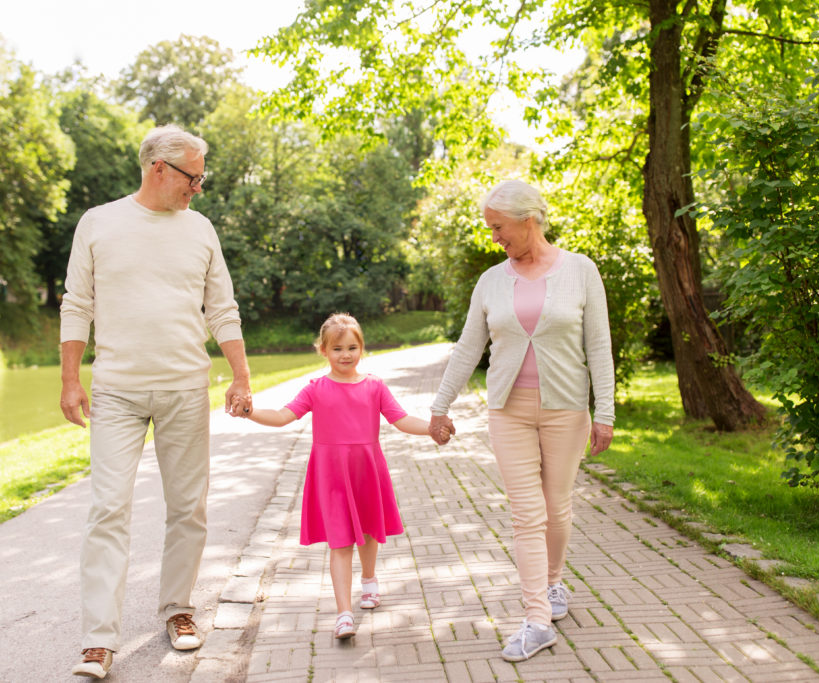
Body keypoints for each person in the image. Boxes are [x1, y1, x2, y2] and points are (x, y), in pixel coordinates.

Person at [59, 124, 252, 679]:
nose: (199, 188)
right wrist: (71, 379)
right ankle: (98, 640)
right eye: (194, 177)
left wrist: (240, 376)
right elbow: (77, 304)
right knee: (107, 509)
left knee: (188, 507)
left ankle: (179, 609)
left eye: (202, 178)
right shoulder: (99, 223)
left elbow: (223, 309)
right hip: (116, 390)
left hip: (185, 387)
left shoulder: (201, 230)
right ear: (159, 168)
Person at [428, 179, 614, 663]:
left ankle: (553, 584)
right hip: (507, 411)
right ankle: (536, 619)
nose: (493, 237)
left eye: (498, 227)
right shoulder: (491, 280)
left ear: (527, 220)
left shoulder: (580, 271)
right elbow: (469, 347)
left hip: (567, 410)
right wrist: (439, 406)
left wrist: (606, 413)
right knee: (526, 513)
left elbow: (599, 347)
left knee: (557, 506)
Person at [238, 313, 444, 639]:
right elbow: (281, 416)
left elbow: (401, 419)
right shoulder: (315, 389)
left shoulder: (375, 386)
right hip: (331, 474)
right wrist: (250, 412)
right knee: (341, 540)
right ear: (323, 350)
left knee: (371, 530)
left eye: (352, 347)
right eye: (337, 349)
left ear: (362, 348)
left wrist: (431, 429)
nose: (345, 355)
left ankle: (370, 580)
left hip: (367, 469)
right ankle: (344, 613)